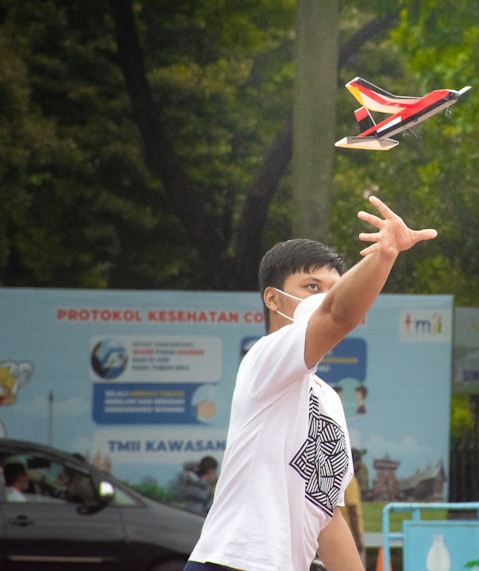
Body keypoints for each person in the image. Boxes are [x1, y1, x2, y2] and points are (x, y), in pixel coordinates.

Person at [185, 195, 437, 571]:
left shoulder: (328, 400)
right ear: (273, 298)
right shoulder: (264, 359)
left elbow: (326, 516)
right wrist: (384, 255)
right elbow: (338, 314)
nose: (325, 298)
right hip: (231, 563)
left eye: (333, 287)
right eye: (312, 287)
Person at [339, 474, 366, 568]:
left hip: (340, 531)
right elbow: (352, 510)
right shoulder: (350, 479)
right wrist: (357, 538)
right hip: (350, 532)